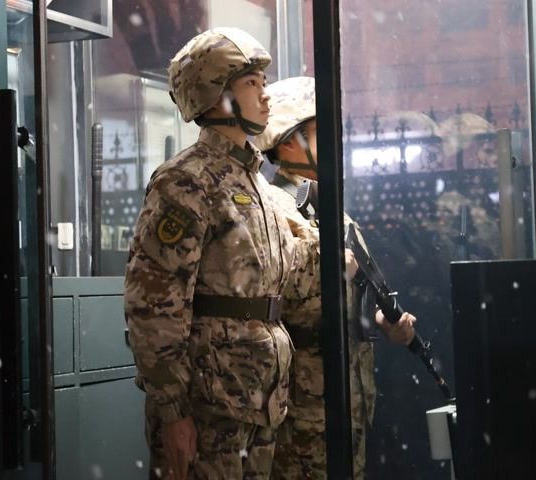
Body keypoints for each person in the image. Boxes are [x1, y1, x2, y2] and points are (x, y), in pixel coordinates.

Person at [124, 29, 319, 480]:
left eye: (262, 82)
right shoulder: (186, 180)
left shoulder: (257, 186)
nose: (265, 94)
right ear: (216, 95)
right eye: (251, 83)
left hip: (259, 399)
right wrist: (173, 410)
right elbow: (152, 303)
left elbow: (279, 279)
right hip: (211, 404)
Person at [254, 76, 417, 479]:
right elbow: (269, 294)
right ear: (288, 143)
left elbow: (352, 295)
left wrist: (383, 322)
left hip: (347, 395)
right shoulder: (272, 209)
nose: (333, 142)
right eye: (319, 131)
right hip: (304, 401)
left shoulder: (330, 211)